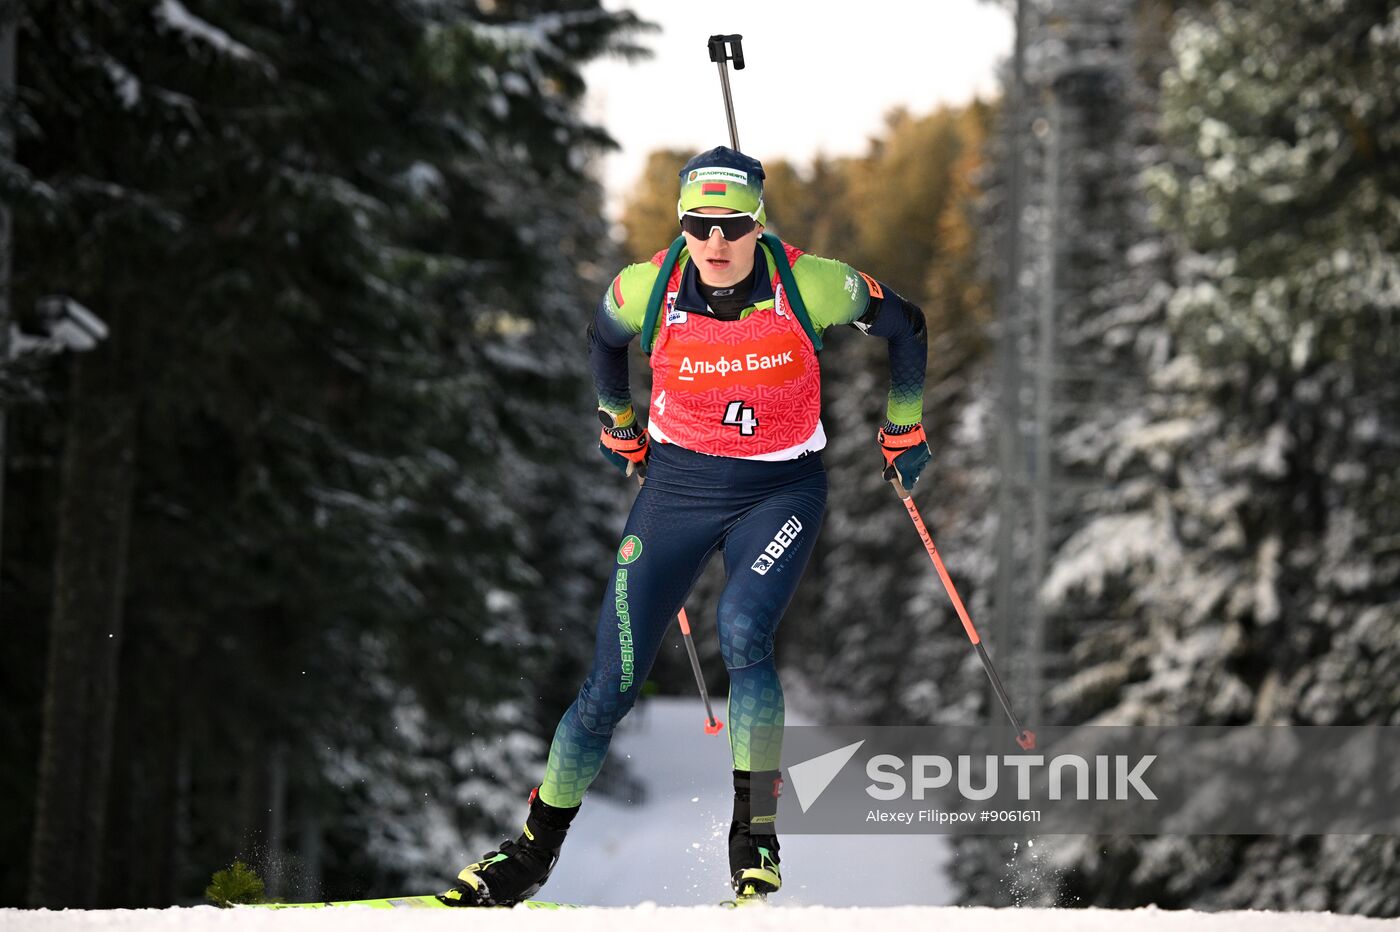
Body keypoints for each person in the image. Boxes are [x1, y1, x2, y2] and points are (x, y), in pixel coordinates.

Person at [440, 146, 930, 906]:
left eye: (732, 224)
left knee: (742, 630)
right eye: (699, 226)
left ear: (758, 223)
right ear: (683, 226)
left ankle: (755, 839)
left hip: (779, 490)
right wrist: (616, 420)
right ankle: (530, 855)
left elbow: (907, 326)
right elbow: (603, 340)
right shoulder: (646, 287)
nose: (716, 241)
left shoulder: (812, 284)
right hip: (675, 490)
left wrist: (904, 425)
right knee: (609, 682)